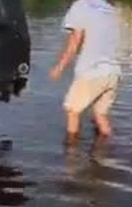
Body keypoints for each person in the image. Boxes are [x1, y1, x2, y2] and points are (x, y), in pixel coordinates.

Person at [50, 0, 122, 139]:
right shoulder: (110, 9)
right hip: (113, 71)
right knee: (100, 114)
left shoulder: (80, 6)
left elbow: (75, 42)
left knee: (72, 111)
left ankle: (72, 156)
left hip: (91, 71)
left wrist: (59, 67)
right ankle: (108, 154)